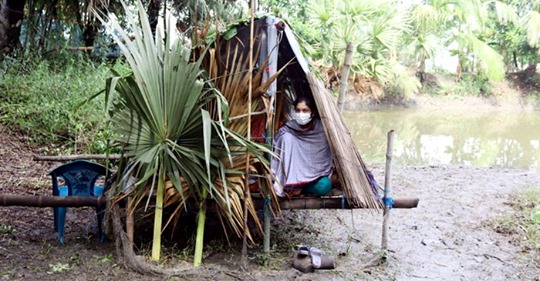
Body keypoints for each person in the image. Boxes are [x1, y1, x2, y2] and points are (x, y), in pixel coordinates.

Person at [271, 96, 333, 197]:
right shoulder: (287, 129)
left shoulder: (322, 130)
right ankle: (292, 186)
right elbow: (276, 151)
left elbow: (322, 159)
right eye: (298, 110)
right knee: (286, 138)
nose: (301, 114)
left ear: (312, 113)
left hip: (314, 175)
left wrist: (301, 185)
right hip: (290, 175)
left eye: (305, 110)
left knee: (325, 185)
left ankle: (299, 188)